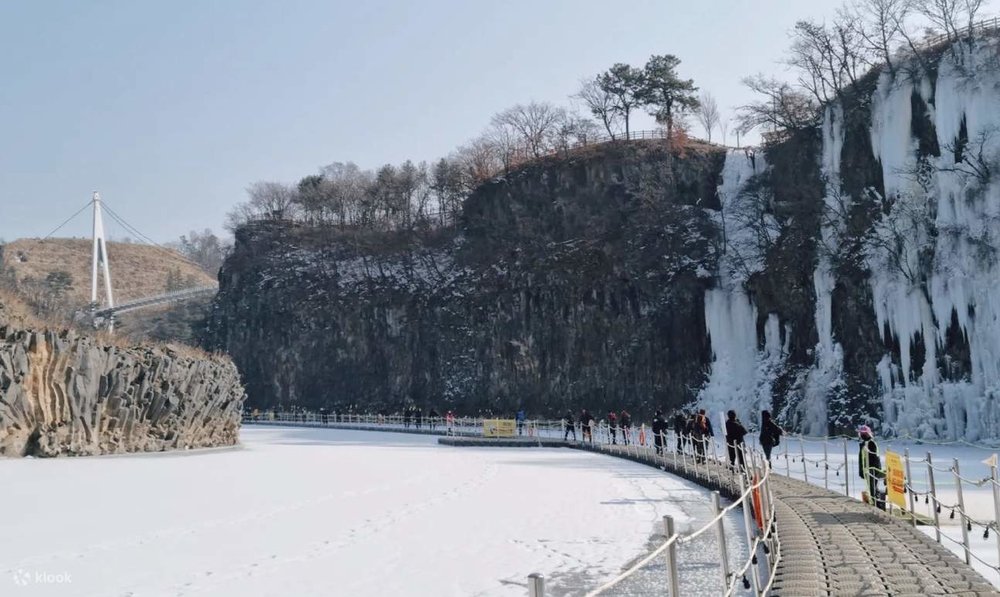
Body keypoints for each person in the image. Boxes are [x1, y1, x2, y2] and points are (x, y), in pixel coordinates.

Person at [858, 425, 886, 510]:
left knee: (873, 489)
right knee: (872, 488)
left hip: (872, 470)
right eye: (861, 434)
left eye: (864, 434)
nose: (862, 435)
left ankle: (877, 505)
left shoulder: (871, 443)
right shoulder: (865, 444)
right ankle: (877, 504)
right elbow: (862, 458)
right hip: (868, 469)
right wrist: (862, 471)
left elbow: (874, 458)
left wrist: (871, 470)